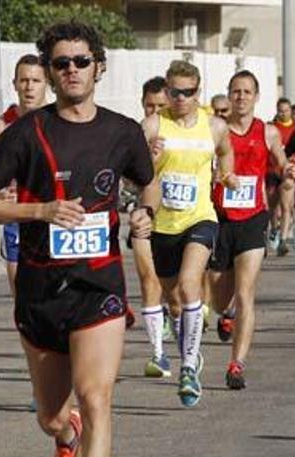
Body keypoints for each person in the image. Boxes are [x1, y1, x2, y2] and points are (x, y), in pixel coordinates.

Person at [0, 22, 157, 457]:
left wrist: (145, 213)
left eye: (81, 61)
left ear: (99, 67)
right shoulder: (27, 132)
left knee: (97, 397)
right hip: (40, 289)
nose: (72, 70)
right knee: (51, 416)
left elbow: (146, 179)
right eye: (61, 63)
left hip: (99, 286)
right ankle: (67, 437)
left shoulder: (122, 131)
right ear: (49, 74)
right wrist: (41, 210)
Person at [142, 59, 237, 407]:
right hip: (163, 224)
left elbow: (227, 154)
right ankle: (190, 352)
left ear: (198, 92)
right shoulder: (152, 126)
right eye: (174, 92)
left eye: (188, 92)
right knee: (175, 302)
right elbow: (133, 176)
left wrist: (224, 175)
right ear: (166, 92)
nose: (181, 98)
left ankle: (187, 368)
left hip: (200, 218)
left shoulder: (214, 127)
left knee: (189, 283)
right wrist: (148, 162)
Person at [208, 70, 288, 389]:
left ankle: (237, 364)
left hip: (253, 218)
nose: (241, 97)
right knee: (219, 297)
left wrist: (289, 171)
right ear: (229, 95)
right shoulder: (216, 130)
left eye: (247, 92)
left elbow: (281, 163)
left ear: (256, 96)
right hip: (219, 218)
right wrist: (216, 178)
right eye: (236, 92)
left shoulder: (267, 132)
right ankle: (225, 313)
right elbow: (204, 167)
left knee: (246, 293)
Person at [0, 54, 48, 297]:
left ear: (47, 83)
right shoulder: (1, 126)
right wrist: (0, 193)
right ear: (14, 84)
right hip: (17, 217)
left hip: (52, 216)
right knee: (22, 297)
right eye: (24, 80)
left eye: (35, 80)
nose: (29, 87)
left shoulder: (58, 121)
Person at [134, 76, 173, 378]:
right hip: (146, 216)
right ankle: (159, 355)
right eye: (149, 106)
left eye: (160, 106)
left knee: (175, 292)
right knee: (149, 280)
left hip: (180, 219)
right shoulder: (136, 134)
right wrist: (147, 158)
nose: (154, 112)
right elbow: (125, 178)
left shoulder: (183, 130)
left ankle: (185, 337)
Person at [270, 96, 295, 256]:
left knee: (287, 206)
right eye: (281, 110)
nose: (283, 113)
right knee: (273, 204)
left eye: (286, 110)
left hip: (289, 171)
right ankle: (274, 229)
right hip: (272, 170)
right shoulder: (272, 128)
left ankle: (283, 239)